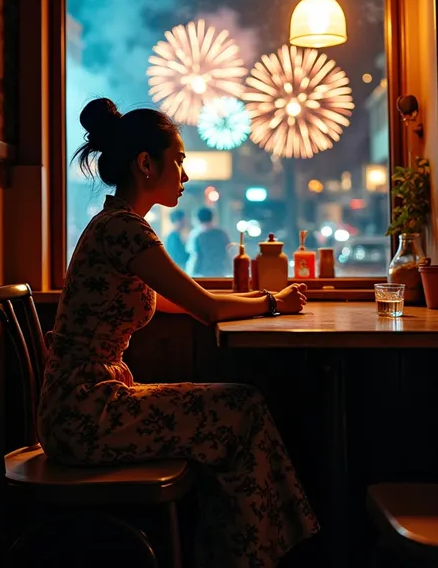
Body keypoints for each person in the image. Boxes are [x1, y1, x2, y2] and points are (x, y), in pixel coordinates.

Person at [37, 98, 319, 568]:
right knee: (241, 406)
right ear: (146, 164)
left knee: (237, 410)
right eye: (180, 161)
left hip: (87, 403)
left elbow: (183, 302)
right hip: (85, 414)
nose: (186, 176)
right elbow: (205, 307)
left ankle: (246, 554)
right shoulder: (125, 231)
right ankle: (265, 555)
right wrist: (273, 302)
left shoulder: (119, 226)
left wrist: (270, 304)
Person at [186, 207, 230, 277]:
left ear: (197, 219)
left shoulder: (196, 234)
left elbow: (194, 255)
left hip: (201, 274)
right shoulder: (222, 233)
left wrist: (190, 273)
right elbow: (228, 252)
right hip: (220, 272)